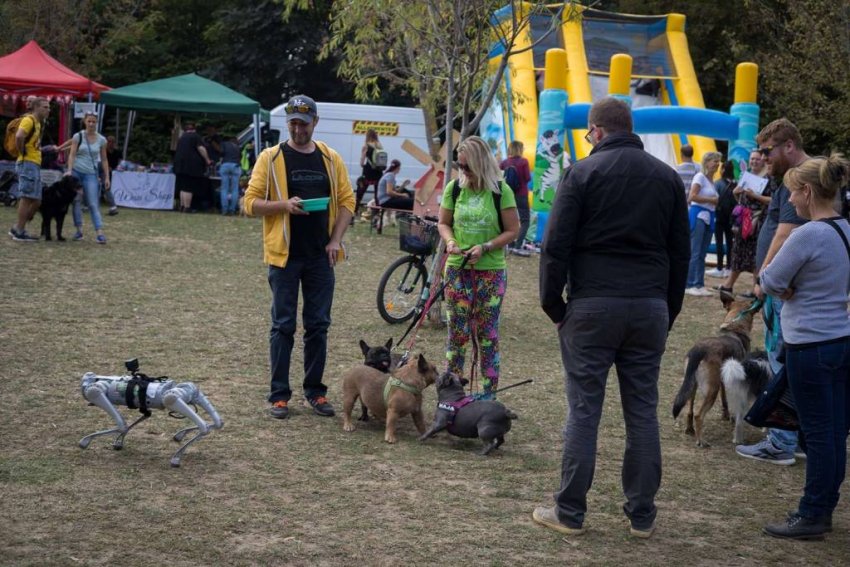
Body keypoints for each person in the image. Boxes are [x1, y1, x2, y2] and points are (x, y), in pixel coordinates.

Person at [535, 97, 689, 539]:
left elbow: (555, 246)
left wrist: (554, 307)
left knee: (584, 410)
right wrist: (669, 308)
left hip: (592, 305)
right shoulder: (667, 178)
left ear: (597, 131)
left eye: (588, 133)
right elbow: (681, 253)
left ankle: (569, 512)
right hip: (649, 306)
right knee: (642, 411)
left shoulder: (582, 173)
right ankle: (642, 515)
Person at [243, 94, 355, 419]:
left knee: (318, 325)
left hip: (321, 257)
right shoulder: (271, 157)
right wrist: (283, 206)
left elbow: (348, 201)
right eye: (292, 122)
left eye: (303, 123)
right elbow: (249, 203)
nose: (297, 128)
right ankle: (279, 395)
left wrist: (335, 241)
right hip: (285, 257)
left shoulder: (330, 158)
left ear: (315, 122)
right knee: (283, 325)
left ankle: (315, 392)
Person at [759, 154, 850, 540]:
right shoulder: (846, 228)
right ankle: (823, 505)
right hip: (841, 339)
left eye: (794, 193)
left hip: (809, 344)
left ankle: (812, 512)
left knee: (815, 432)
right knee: (834, 430)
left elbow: (769, 279)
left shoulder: (808, 234)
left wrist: (785, 286)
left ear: (808, 191)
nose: (791, 201)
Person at [736, 118, 809, 466]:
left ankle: (781, 441)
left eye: (768, 151)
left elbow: (785, 234)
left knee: (781, 361)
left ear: (788, 146)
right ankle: (794, 435)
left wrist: (763, 278)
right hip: (784, 286)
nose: (764, 158)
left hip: (785, 288)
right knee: (788, 360)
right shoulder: (791, 181)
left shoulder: (802, 180)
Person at [437, 135, 519, 399]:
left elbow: (513, 230)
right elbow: (443, 223)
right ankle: (452, 398)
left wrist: (485, 247)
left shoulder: (500, 191)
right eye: (460, 166)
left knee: (487, 336)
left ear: (481, 164)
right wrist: (450, 242)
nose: (463, 172)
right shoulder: (454, 189)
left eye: (467, 167)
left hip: (490, 274)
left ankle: (487, 397)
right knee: (456, 336)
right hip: (457, 271)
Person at [718, 150, 772, 293]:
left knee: (755, 255)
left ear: (763, 161)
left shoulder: (768, 178)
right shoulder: (746, 176)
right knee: (738, 252)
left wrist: (754, 195)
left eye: (757, 159)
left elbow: (772, 200)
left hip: (757, 222)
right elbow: (742, 199)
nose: (754, 161)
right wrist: (737, 194)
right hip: (743, 220)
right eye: (752, 159)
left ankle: (755, 289)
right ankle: (729, 284)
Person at [9, 97, 51, 242]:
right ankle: (19, 231)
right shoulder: (29, 120)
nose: (48, 110)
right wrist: (22, 152)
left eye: (49, 107)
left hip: (34, 163)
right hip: (27, 162)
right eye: (45, 107)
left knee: (37, 199)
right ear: (37, 108)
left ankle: (18, 227)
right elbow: (19, 136)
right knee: (26, 197)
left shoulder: (39, 123)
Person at [66, 112, 110, 244]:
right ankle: (79, 230)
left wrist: (107, 177)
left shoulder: (102, 140)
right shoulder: (78, 136)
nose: (91, 124)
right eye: (89, 121)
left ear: (97, 123)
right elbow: (72, 154)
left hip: (91, 173)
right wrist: (69, 170)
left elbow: (104, 159)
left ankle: (100, 233)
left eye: (94, 122)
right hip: (76, 171)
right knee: (76, 201)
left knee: (92, 203)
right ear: (85, 122)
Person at [684, 151, 722, 296]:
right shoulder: (699, 177)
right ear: (706, 162)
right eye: (714, 161)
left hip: (709, 216)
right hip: (699, 215)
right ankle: (690, 283)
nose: (717, 164)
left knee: (702, 253)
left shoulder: (711, 180)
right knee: (695, 251)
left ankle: (699, 283)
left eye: (718, 161)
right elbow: (691, 196)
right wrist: (711, 200)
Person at [499, 140, 532, 256]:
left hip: (508, 195)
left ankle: (510, 244)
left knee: (509, 221)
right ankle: (518, 245)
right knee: (525, 221)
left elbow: (500, 176)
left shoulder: (504, 163)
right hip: (521, 194)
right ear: (519, 149)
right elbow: (528, 178)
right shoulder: (524, 162)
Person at [705, 161, 737, 278]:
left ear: (723, 170)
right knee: (730, 242)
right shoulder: (735, 184)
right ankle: (729, 267)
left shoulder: (718, 183)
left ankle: (719, 267)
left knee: (719, 241)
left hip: (719, 216)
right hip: (731, 217)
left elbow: (714, 198)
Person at [173, 122, 212, 213]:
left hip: (180, 165)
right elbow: (201, 149)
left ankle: (182, 206)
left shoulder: (181, 138)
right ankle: (187, 207)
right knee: (188, 187)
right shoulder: (195, 137)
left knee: (182, 187)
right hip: (191, 166)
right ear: (194, 129)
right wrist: (207, 160)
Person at [356, 128, 383, 216]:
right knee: (377, 194)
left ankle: (354, 210)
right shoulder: (379, 145)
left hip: (368, 172)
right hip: (378, 172)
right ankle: (377, 214)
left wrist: (362, 163)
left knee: (360, 192)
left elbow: (362, 162)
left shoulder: (366, 146)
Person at [218, 136, 241, 215]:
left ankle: (224, 209)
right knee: (235, 189)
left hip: (225, 165)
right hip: (235, 166)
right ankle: (232, 210)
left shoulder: (224, 144)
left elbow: (221, 153)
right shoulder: (237, 146)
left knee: (224, 188)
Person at [103, 135, 120, 215]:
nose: (111, 144)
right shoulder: (104, 151)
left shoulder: (117, 152)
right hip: (105, 170)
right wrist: (107, 167)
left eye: (112, 142)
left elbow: (120, 161)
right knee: (106, 187)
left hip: (114, 170)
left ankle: (112, 206)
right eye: (109, 142)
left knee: (107, 188)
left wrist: (116, 167)